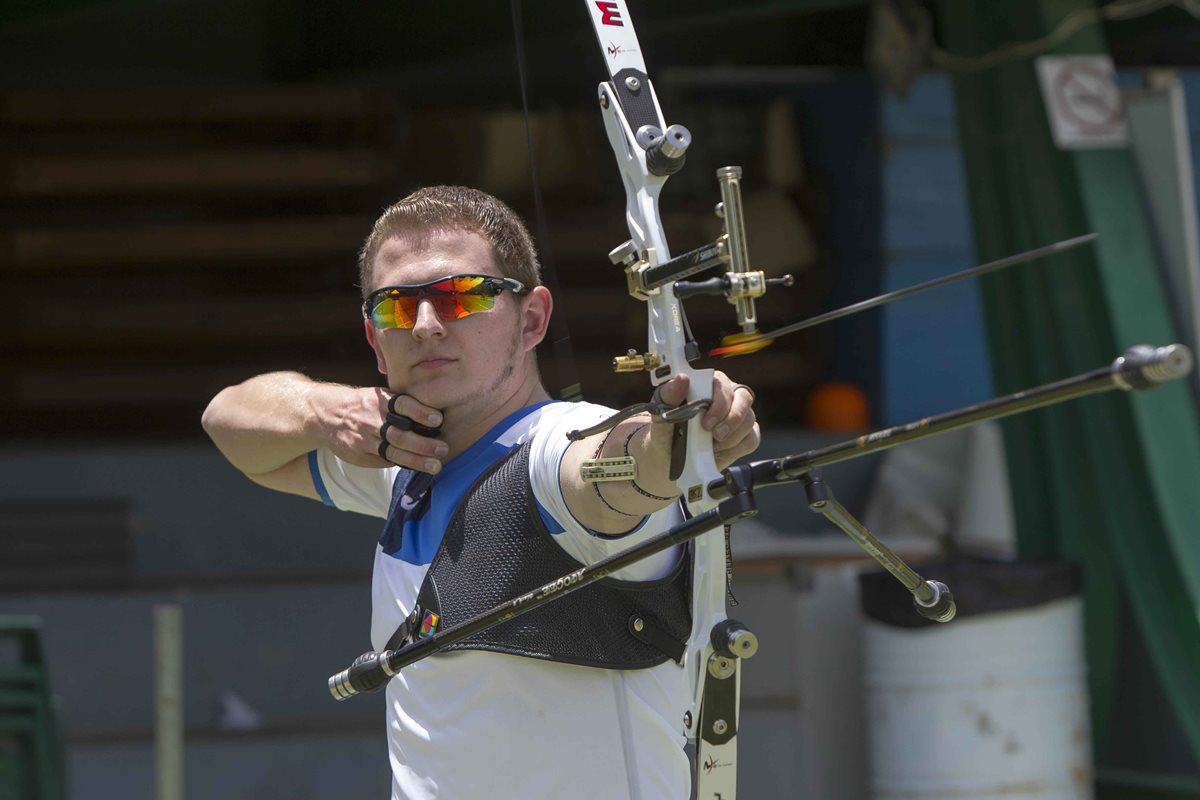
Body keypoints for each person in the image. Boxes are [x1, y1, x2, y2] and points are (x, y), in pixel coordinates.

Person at [202, 185, 760, 799]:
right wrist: (322, 409)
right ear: (373, 340)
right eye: (394, 306)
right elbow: (228, 425)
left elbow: (619, 467)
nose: (425, 325)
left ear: (532, 320)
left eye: (461, 296)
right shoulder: (403, 463)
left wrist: (682, 438)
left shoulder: (555, 452)